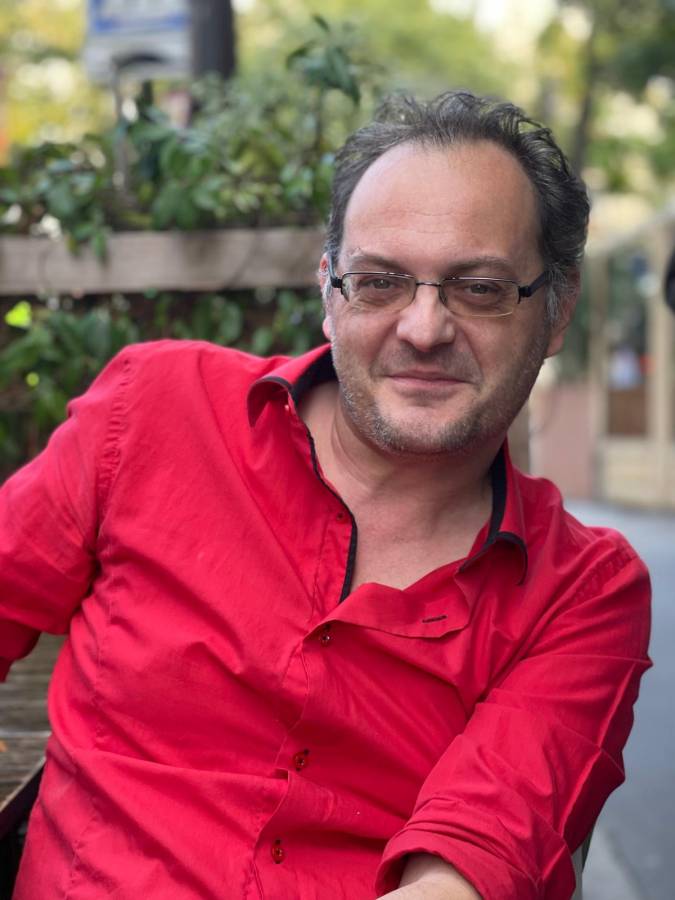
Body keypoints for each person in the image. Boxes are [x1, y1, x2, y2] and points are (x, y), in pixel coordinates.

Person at [0, 91, 651, 900]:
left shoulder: (584, 591)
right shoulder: (153, 409)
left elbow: (470, 865)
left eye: (480, 289)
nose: (423, 329)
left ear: (556, 311)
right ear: (328, 291)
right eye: (377, 282)